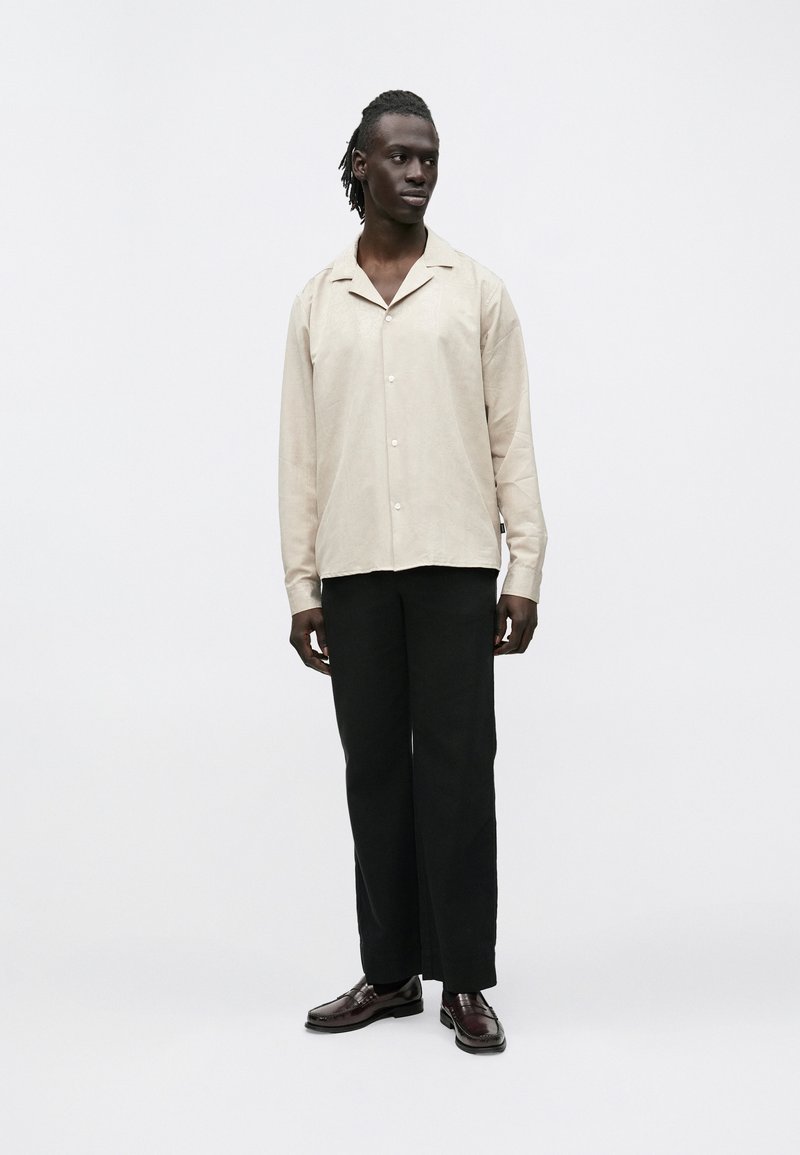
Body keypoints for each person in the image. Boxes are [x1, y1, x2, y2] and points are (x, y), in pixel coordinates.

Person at [278, 90, 547, 1055]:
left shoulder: (476, 292)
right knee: (376, 775)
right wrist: (302, 585)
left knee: (459, 774)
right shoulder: (319, 301)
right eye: (399, 155)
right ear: (360, 164)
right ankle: (390, 972)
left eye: (428, 155)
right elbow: (300, 456)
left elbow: (512, 436)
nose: (419, 170)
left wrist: (524, 566)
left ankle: (464, 978)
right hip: (354, 572)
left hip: (456, 567)